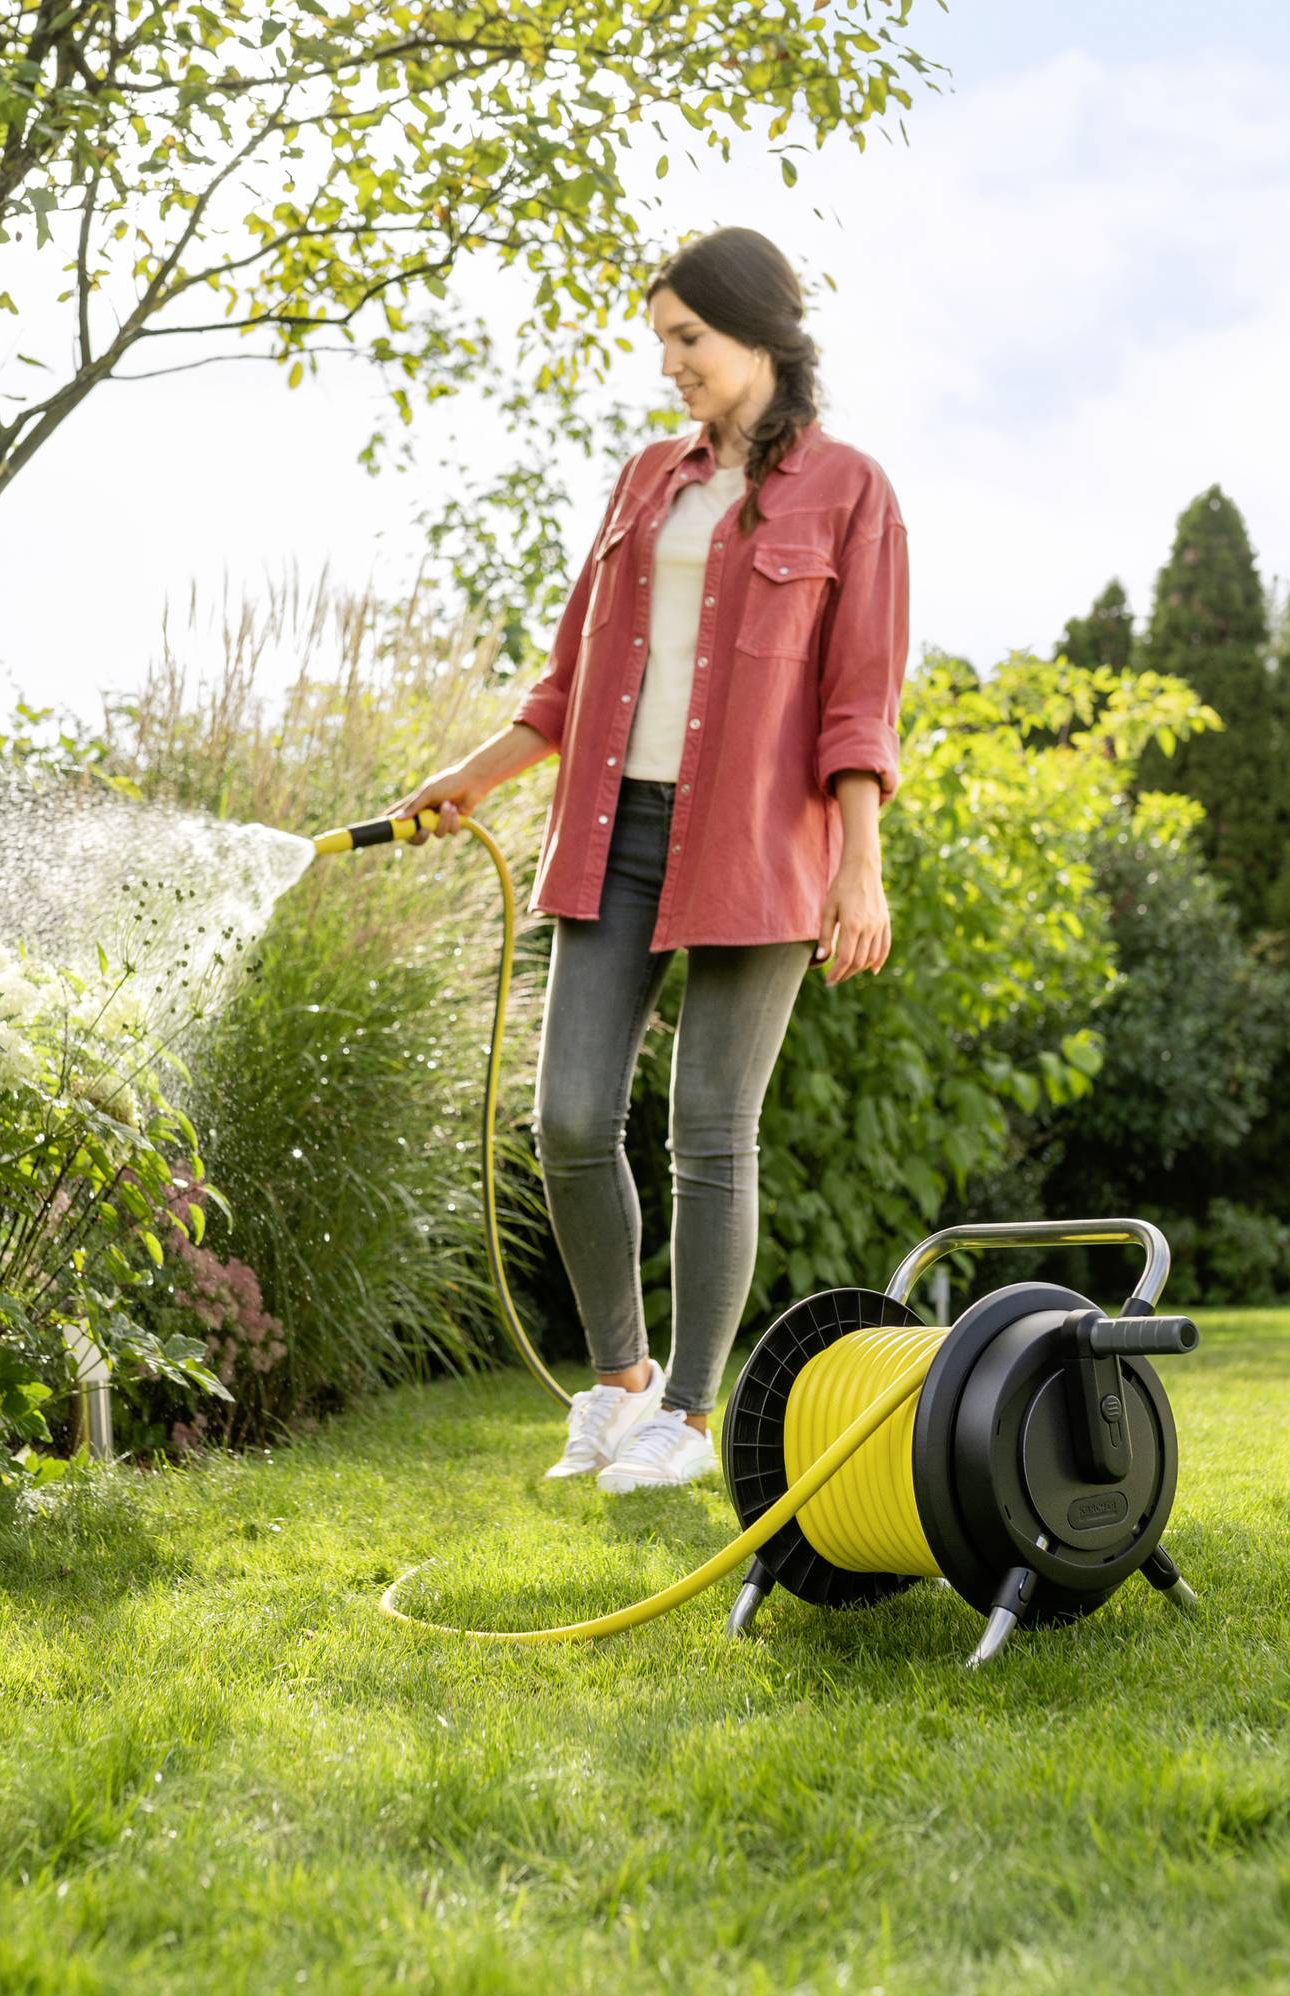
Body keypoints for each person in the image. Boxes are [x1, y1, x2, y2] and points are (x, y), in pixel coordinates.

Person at [387, 225, 910, 1494]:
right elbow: (571, 682)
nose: (670, 363)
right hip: (613, 833)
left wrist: (859, 867)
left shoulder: (851, 490)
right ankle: (619, 1380)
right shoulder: (645, 483)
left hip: (753, 847)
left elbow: (858, 702)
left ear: (760, 336)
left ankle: (687, 1410)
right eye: (663, 340)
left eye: (688, 339)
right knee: (567, 1118)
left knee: (711, 1133)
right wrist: (470, 775)